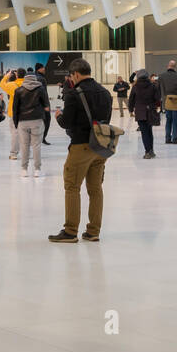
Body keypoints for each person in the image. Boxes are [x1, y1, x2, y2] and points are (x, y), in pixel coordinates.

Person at [49, 58, 112, 243]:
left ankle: (70, 231)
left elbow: (67, 122)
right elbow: (106, 119)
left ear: (75, 74)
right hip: (101, 146)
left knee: (72, 187)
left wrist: (59, 116)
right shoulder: (105, 92)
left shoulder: (74, 94)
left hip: (81, 146)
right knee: (95, 189)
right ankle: (93, 231)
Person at [11, 70, 49, 176]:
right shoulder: (41, 89)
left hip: (23, 121)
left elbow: (15, 109)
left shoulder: (19, 90)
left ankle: (24, 169)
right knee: (36, 145)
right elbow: (46, 105)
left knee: (24, 145)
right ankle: (37, 170)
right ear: (34, 78)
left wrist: (16, 122)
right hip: (37, 120)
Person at [128, 68, 161, 158]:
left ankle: (147, 151)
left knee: (144, 132)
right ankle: (151, 150)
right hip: (150, 110)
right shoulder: (153, 85)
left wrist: (130, 109)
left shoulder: (135, 86)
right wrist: (157, 106)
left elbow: (131, 99)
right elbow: (157, 99)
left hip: (140, 111)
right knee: (149, 131)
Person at [158, 61, 177, 144]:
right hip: (176, 101)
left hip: (166, 101)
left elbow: (158, 89)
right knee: (176, 120)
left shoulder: (161, 76)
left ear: (168, 66)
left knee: (168, 120)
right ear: (175, 67)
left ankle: (167, 138)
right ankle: (175, 138)